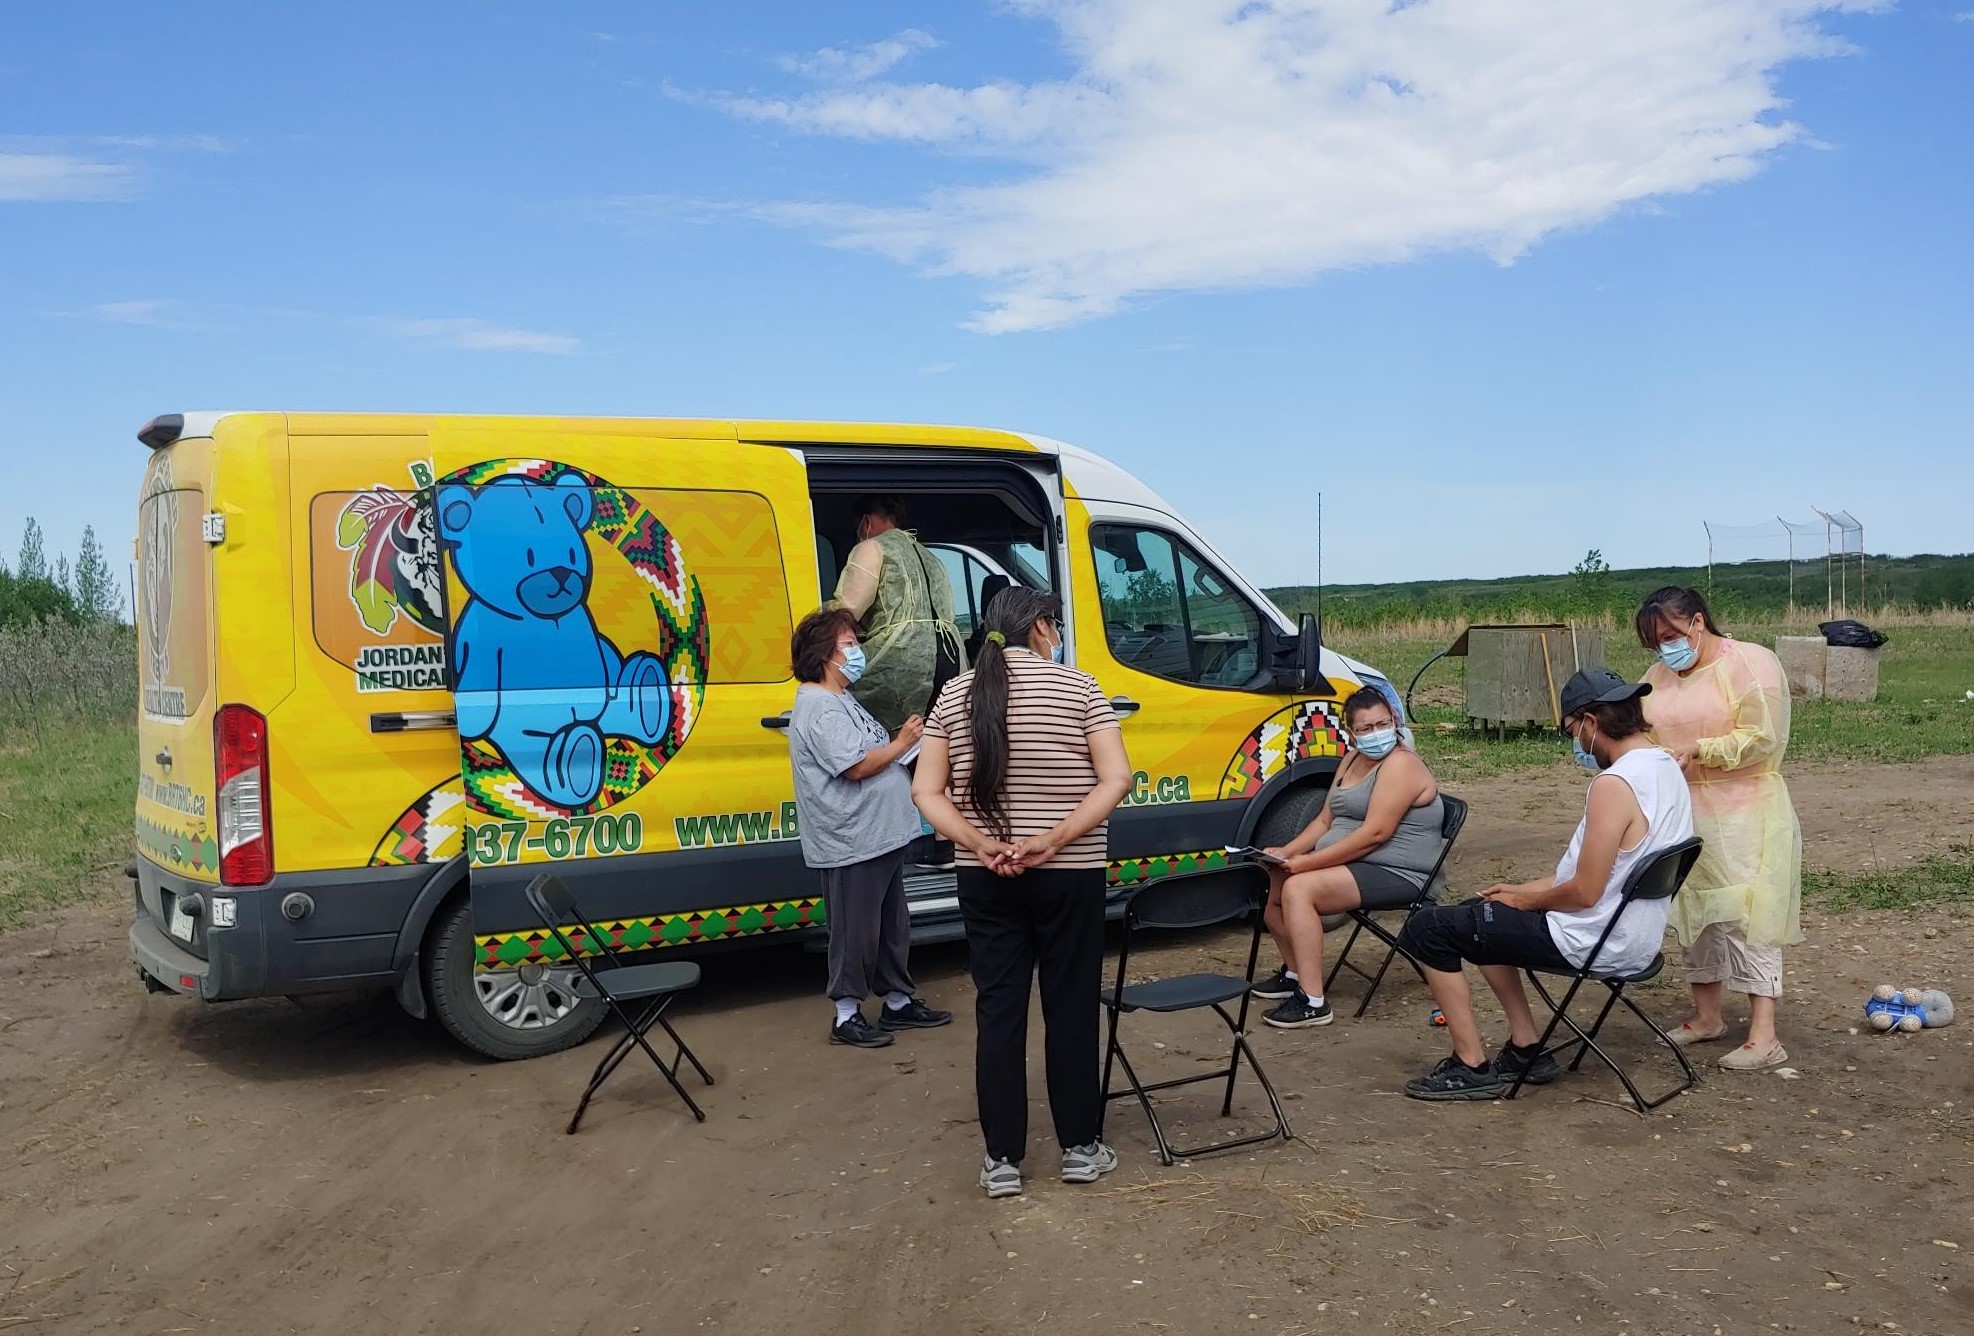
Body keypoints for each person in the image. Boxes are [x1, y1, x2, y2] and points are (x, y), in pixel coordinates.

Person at [912, 587, 1133, 1199]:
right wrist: (1055, 838)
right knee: (1070, 1003)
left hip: (985, 877)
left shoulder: (953, 697)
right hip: (1071, 873)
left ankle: (1002, 1160)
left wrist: (981, 844)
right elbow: (1117, 778)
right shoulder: (1080, 688)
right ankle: (1080, 1149)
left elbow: (926, 794)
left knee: (999, 1008)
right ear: (1040, 627)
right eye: (1054, 622)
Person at [1392, 668, 1694, 1101]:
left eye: (1572, 730)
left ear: (1590, 723)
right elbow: (1595, 873)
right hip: (1634, 935)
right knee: (1481, 910)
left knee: (1427, 929)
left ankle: (1471, 1065)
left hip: (1593, 938)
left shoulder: (1614, 784)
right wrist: (1518, 893)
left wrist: (1530, 900)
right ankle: (1526, 1047)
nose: (1577, 743)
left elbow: (1584, 892)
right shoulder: (1665, 767)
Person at [1636, 586, 1803, 1072]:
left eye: (1670, 634)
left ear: (1697, 621)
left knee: (1745, 915)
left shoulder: (1750, 662)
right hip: (1685, 811)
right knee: (1694, 911)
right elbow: (1642, 727)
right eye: (1654, 641)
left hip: (1744, 809)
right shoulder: (1657, 676)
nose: (1665, 648)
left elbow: (1761, 735)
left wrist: (1701, 750)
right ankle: (1707, 1015)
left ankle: (1764, 1034)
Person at [786, 606, 953, 1050]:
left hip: (878, 835)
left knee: (890, 923)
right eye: (850, 645)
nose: (858, 652)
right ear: (825, 653)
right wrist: (902, 743)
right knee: (855, 929)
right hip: (852, 838)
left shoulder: (841, 698)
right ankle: (846, 1014)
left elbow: (872, 752)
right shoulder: (819, 706)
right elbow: (855, 767)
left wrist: (905, 746)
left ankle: (898, 1000)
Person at [1249, 685, 1446, 1029]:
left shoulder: (1401, 765)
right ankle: (1296, 973)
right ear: (1351, 734)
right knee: (1274, 878)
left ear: (1395, 721)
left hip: (1399, 870)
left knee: (1300, 889)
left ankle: (1313, 1002)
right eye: (1366, 729)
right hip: (1360, 864)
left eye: (1383, 724)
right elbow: (1326, 819)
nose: (1376, 734)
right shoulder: (1352, 759)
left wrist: (1306, 864)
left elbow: (1375, 835)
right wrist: (1287, 852)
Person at [832, 494, 967, 734]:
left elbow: (848, 609)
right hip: (951, 659)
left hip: (902, 659)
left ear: (865, 523)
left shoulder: (871, 547)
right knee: (937, 735)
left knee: (883, 732)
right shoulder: (930, 556)